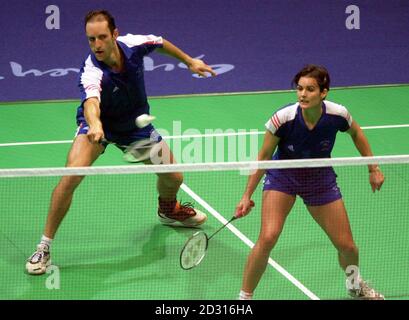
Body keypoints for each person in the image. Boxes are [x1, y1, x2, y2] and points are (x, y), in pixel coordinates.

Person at [26, 10, 216, 275]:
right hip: (99, 127)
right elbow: (91, 102)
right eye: (91, 40)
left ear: (115, 34)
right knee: (70, 176)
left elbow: (160, 42)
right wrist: (94, 124)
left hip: (134, 126)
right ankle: (44, 246)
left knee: (174, 176)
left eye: (102, 37)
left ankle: (168, 210)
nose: (97, 45)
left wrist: (188, 61)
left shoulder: (133, 45)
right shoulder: (92, 70)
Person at [235, 64, 385, 300]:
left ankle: (354, 285)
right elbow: (263, 157)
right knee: (268, 237)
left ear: (323, 92)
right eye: (300, 89)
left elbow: (357, 133)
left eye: (310, 89)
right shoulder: (283, 118)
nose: (303, 94)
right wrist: (247, 195)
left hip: (319, 178)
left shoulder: (338, 114)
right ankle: (244, 298)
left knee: (348, 247)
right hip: (283, 176)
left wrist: (373, 168)